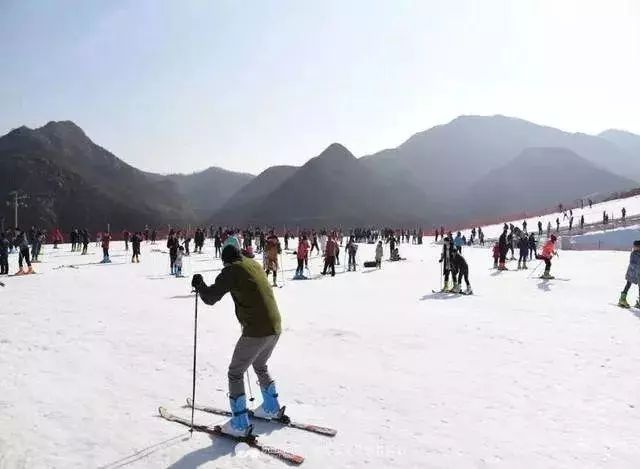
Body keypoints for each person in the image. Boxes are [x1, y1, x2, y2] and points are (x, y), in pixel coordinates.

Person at [191, 245, 283, 437]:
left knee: (235, 373)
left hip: (257, 330)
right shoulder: (252, 263)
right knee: (260, 365)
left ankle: (240, 424)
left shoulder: (231, 271)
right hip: (275, 326)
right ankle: (271, 406)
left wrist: (199, 285)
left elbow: (210, 297)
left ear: (226, 261)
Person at [618, 240, 640, 308]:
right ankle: (622, 299)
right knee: (628, 285)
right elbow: (633, 263)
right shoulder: (634, 253)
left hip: (637, 273)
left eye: (636, 246)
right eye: (635, 246)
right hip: (632, 272)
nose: (635, 247)